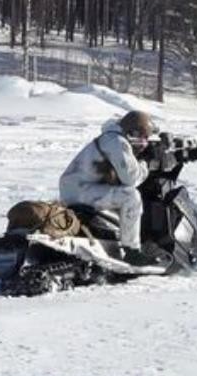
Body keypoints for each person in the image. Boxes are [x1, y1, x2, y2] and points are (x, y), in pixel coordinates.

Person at [58, 110, 159, 265]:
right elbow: (131, 178)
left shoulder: (113, 137)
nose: (144, 142)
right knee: (131, 197)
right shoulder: (117, 142)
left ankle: (114, 239)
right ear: (131, 132)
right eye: (142, 137)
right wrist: (147, 164)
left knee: (121, 197)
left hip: (78, 187)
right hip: (81, 190)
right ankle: (132, 251)